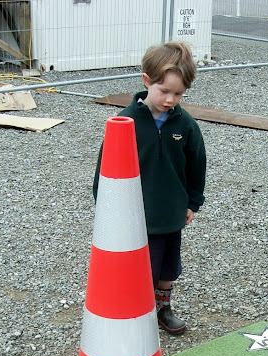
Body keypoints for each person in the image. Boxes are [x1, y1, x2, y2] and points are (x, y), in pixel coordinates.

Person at [93, 41, 206, 336]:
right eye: (164, 90)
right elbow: (105, 169)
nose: (170, 99)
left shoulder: (186, 125)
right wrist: (106, 209)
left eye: (178, 94)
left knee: (168, 267)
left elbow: (197, 166)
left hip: (171, 216)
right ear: (146, 80)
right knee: (139, 269)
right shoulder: (125, 122)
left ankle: (162, 308)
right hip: (135, 217)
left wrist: (192, 202)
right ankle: (136, 313)